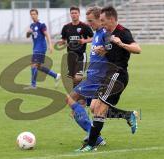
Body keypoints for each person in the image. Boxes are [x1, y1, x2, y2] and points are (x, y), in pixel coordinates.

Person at [77, 5, 142, 152]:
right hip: (108, 76)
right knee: (94, 108)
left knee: (100, 109)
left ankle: (91, 144)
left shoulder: (123, 32)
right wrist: (103, 50)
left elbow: (138, 49)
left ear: (111, 19)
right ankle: (128, 115)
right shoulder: (107, 34)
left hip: (118, 75)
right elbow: (110, 50)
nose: (101, 23)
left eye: (103, 20)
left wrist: (121, 43)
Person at [65, 6, 109, 147]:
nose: (89, 23)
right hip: (92, 76)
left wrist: (105, 50)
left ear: (100, 20)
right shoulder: (96, 33)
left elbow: (112, 51)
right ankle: (94, 135)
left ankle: (94, 136)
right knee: (88, 108)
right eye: (88, 21)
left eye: (92, 21)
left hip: (98, 78)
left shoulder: (104, 34)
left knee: (72, 100)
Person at [57, 6, 93, 88]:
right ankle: (78, 97)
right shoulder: (66, 27)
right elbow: (63, 40)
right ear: (70, 14)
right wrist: (61, 42)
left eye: (75, 13)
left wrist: (84, 41)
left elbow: (93, 37)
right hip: (70, 56)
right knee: (74, 79)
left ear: (79, 14)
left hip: (81, 56)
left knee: (78, 77)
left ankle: (80, 96)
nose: (74, 15)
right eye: (72, 13)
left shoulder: (85, 26)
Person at [24, 8, 61, 89]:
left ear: (37, 14)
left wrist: (50, 45)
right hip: (35, 48)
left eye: (34, 14)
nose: (33, 16)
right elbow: (27, 36)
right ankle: (55, 75)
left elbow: (47, 35)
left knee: (33, 65)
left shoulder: (41, 25)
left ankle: (33, 85)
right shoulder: (32, 26)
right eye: (31, 14)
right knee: (38, 67)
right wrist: (28, 32)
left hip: (41, 48)